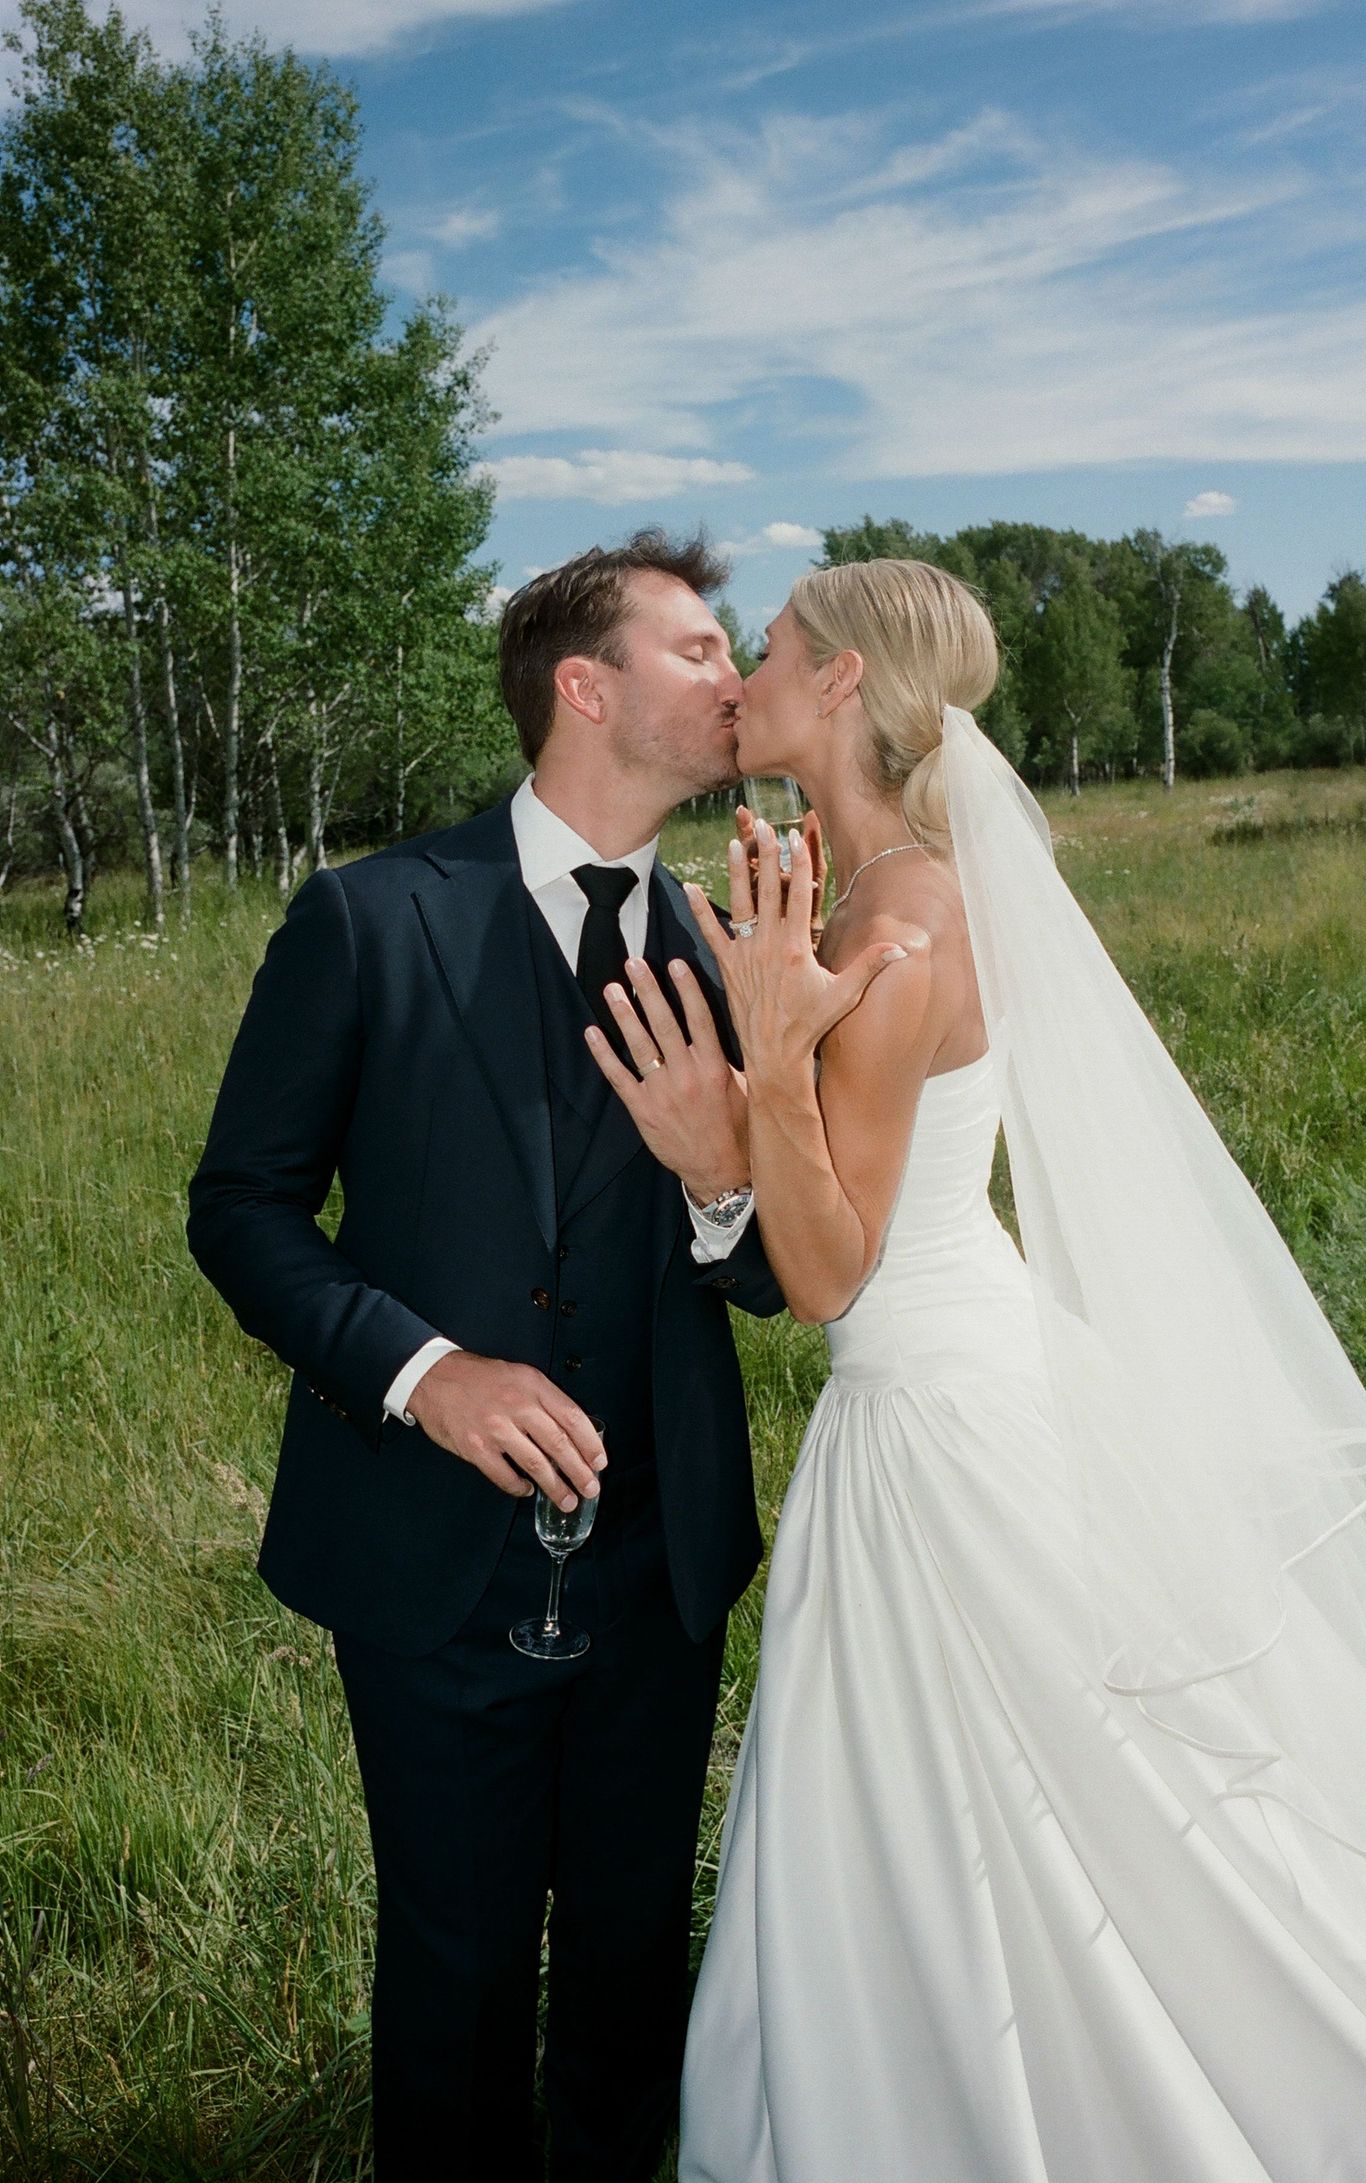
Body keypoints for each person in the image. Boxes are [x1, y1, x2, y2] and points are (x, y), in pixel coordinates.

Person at [587, 558, 1366, 2181]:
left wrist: (759, 1078)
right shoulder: (893, 885)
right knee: (1018, 1793)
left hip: (929, 1416)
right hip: (952, 1372)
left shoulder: (897, 921)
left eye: (774, 648)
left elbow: (829, 1271)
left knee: (1031, 1790)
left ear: (845, 680)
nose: (748, 678)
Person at [186, 531, 791, 2183]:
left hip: (660, 1566)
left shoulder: (729, 949)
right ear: (585, 688)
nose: (734, 675)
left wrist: (721, 1183)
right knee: (452, 1973)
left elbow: (774, 1280)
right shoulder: (369, 917)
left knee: (631, 1963)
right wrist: (422, 1373)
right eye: (698, 647)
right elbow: (239, 1209)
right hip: (427, 1560)